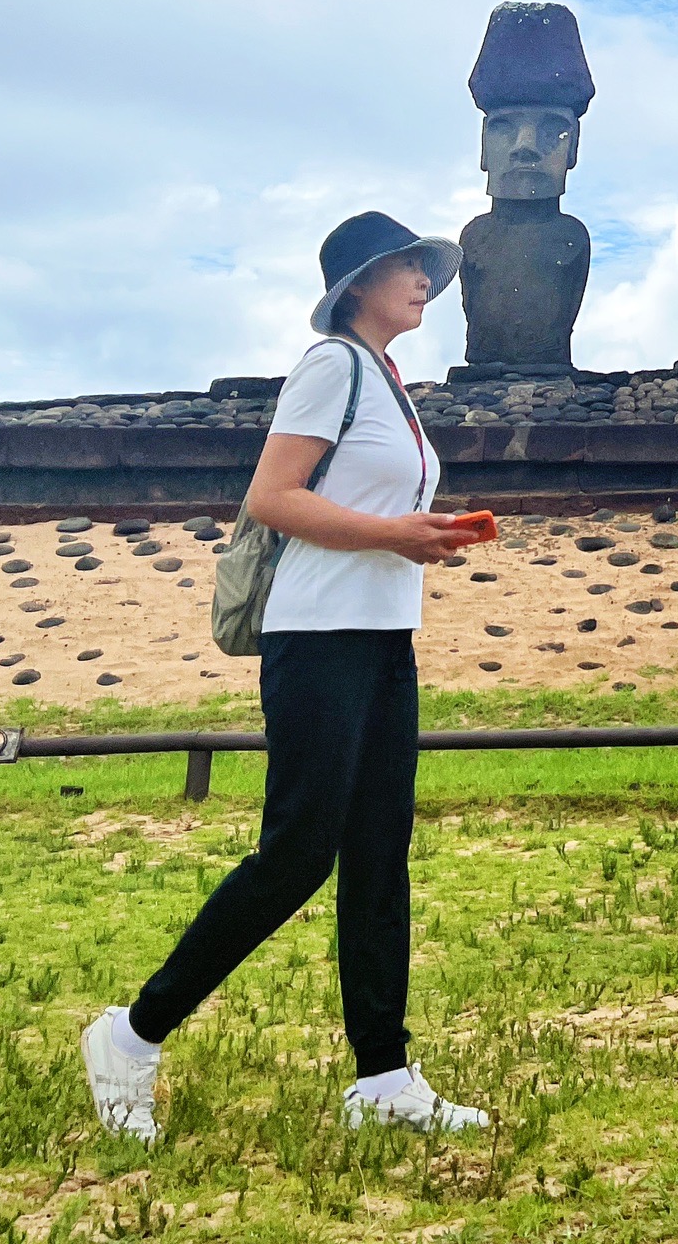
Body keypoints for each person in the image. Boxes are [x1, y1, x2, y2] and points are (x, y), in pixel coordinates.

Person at [80, 211, 490, 1145]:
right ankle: (132, 1036)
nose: (424, 279)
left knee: (380, 858)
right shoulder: (332, 368)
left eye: (428, 267)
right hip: (318, 641)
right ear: (356, 288)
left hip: (385, 637)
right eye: (405, 268)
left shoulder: (390, 382)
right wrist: (397, 534)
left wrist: (428, 537)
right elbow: (274, 498)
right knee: (299, 853)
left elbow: (363, 507)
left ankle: (383, 1077)